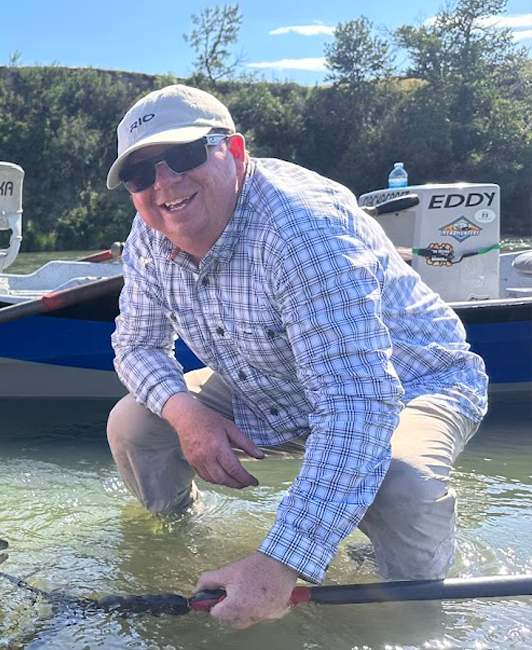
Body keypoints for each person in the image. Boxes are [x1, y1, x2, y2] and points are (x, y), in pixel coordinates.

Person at [102, 85, 488, 629]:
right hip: (266, 380)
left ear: (233, 153)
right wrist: (188, 414)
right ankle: (180, 529)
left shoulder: (303, 229)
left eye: (185, 156)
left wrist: (280, 563)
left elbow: (358, 404)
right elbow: (136, 345)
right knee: (135, 422)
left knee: (401, 481)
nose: (164, 184)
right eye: (141, 175)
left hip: (410, 381)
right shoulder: (149, 231)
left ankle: (411, 607)